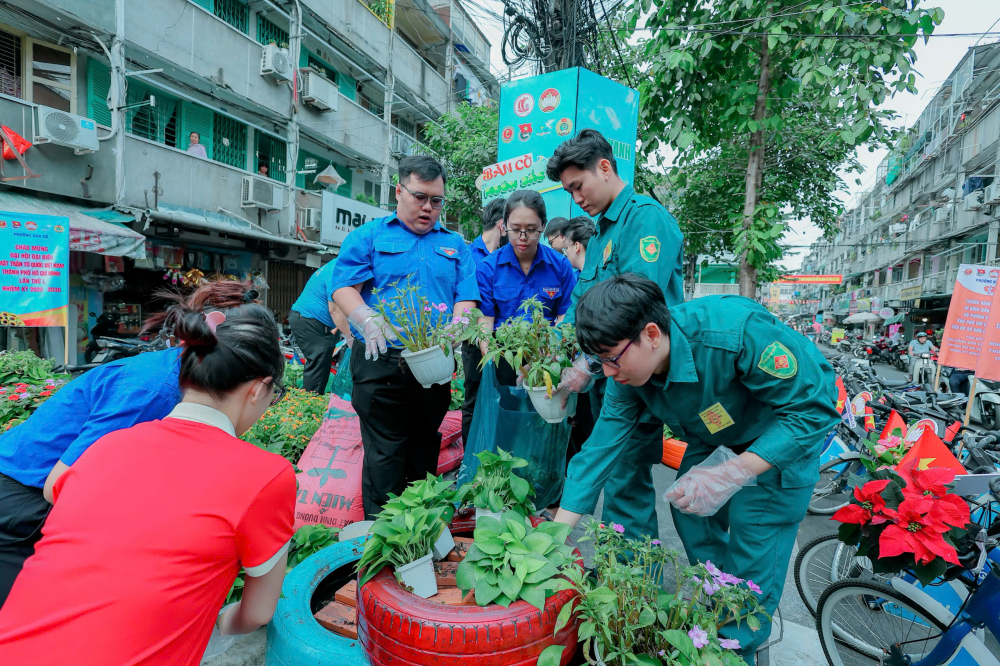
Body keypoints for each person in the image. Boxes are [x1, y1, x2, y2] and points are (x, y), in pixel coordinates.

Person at [554, 274, 840, 661]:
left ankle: (736, 645)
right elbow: (598, 451)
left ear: (651, 334)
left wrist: (735, 471)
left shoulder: (733, 333)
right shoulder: (628, 374)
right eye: (598, 361)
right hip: (715, 437)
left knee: (751, 556)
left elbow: (813, 410)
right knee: (688, 508)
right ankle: (716, 599)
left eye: (610, 358)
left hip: (778, 443)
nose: (606, 372)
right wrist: (553, 540)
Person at [0, 302, 294, 665]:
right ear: (258, 387)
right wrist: (215, 625)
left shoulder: (106, 447)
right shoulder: (267, 473)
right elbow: (258, 612)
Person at [546, 128, 685, 540]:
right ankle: (616, 575)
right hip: (612, 374)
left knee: (626, 484)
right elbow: (583, 306)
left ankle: (633, 587)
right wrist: (547, 349)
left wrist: (588, 363)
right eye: (569, 191)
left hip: (639, 375)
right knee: (612, 478)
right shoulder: (602, 231)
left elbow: (636, 310)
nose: (576, 198)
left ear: (604, 167)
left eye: (578, 186)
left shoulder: (645, 219)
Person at [331, 155, 479, 519]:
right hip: (381, 361)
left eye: (437, 200)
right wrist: (366, 318)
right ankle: (383, 535)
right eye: (420, 197)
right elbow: (343, 287)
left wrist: (458, 326)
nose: (428, 208)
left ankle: (420, 530)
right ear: (398, 191)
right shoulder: (369, 236)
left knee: (424, 445)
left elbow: (467, 297)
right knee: (385, 452)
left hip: (433, 364)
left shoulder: (457, 246)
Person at [476, 190, 577, 384]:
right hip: (505, 355)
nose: (523, 237)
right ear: (504, 226)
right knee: (509, 409)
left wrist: (552, 351)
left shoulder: (560, 266)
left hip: (548, 352)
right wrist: (489, 354)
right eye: (515, 229)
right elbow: (486, 320)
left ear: (543, 226)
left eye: (531, 230)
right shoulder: (488, 268)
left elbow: (565, 314)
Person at [462, 198, 507, 446]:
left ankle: (498, 452)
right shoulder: (468, 255)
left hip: (505, 341)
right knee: (474, 398)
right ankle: (470, 458)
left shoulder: (510, 256)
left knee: (503, 398)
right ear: (502, 225)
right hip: (473, 341)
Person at [289, 259, 343, 393]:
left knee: (323, 356)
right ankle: (311, 400)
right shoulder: (336, 270)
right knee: (319, 360)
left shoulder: (336, 265)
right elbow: (334, 309)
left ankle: (314, 398)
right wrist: (349, 336)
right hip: (308, 319)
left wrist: (336, 328)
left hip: (311, 320)